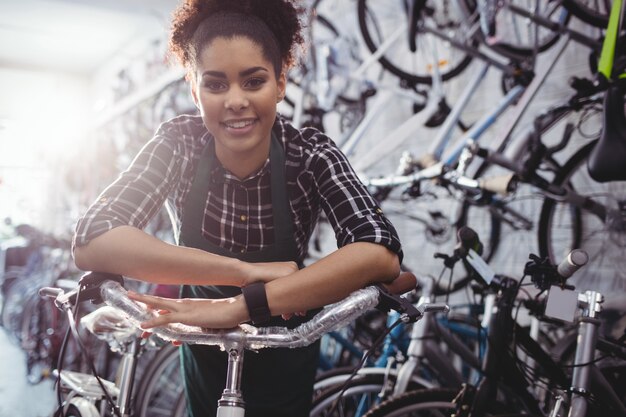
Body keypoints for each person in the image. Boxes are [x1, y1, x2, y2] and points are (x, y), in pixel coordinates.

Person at [72, 0, 404, 416]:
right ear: (194, 90)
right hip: (202, 346)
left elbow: (379, 251)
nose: (235, 101)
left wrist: (242, 304)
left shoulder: (312, 154)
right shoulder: (180, 144)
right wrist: (243, 272)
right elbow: (93, 238)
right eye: (215, 85)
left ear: (280, 82)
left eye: (253, 82)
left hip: (287, 347)